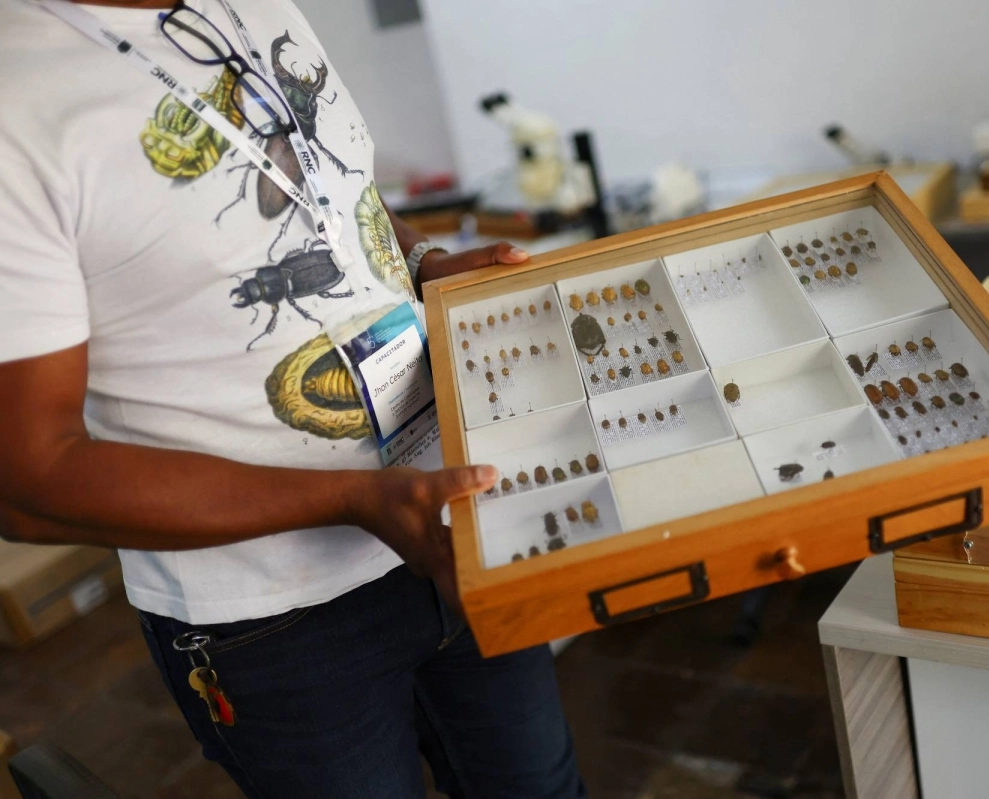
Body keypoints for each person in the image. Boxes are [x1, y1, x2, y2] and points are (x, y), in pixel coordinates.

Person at [0, 0, 587, 796]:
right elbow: (29, 479)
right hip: (273, 619)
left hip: (452, 516)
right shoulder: (18, 92)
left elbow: (333, 191)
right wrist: (352, 497)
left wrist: (423, 263)